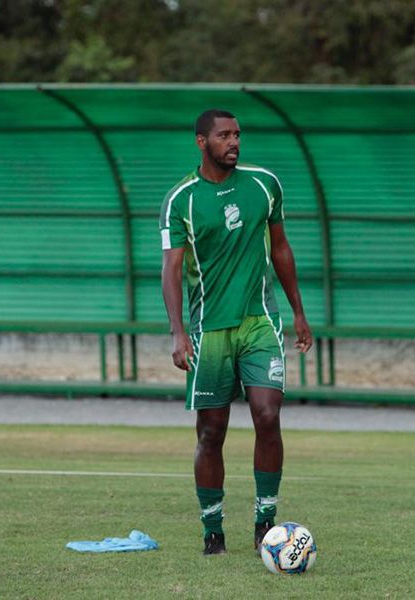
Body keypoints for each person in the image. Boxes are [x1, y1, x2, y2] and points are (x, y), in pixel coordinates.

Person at [159, 109, 313, 556]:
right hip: (209, 331)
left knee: (267, 415)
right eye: (224, 135)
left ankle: (266, 525)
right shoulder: (181, 200)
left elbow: (281, 248)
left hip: (260, 320)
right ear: (201, 142)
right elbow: (170, 270)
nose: (234, 142)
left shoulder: (264, 184)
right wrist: (178, 333)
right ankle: (213, 530)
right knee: (212, 431)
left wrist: (299, 312)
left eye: (238, 135)